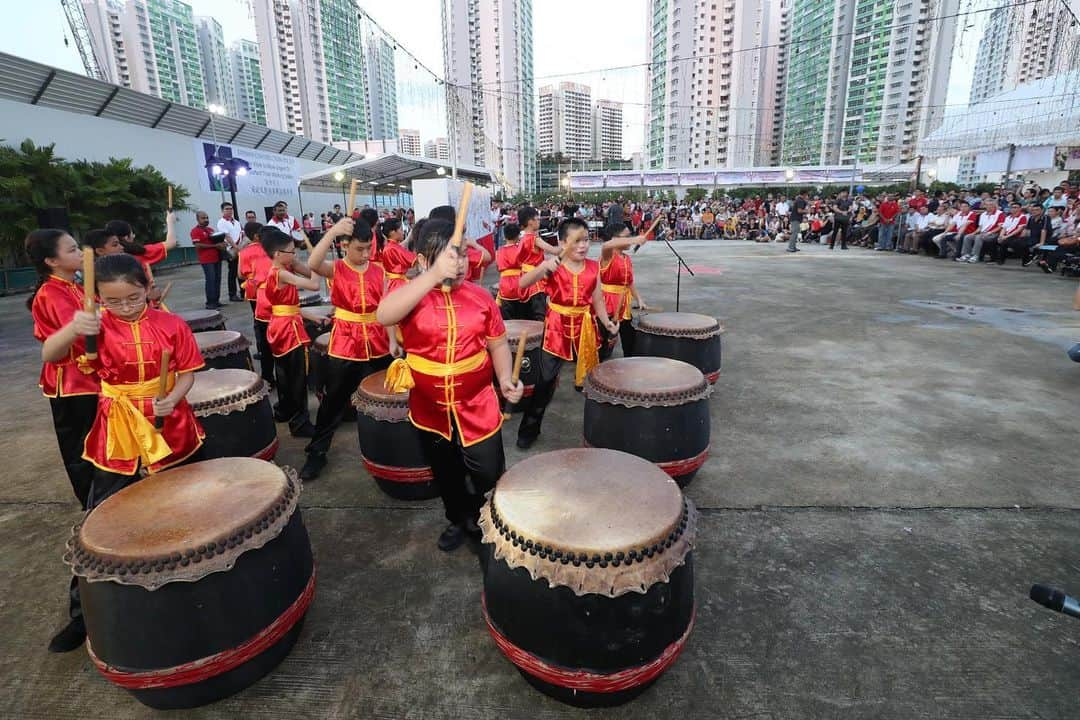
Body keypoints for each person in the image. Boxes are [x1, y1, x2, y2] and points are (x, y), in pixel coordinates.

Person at [43, 253, 205, 651]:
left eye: (134, 298)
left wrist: (174, 397)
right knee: (100, 523)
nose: (126, 308)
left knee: (186, 517)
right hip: (117, 429)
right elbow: (50, 355)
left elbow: (187, 372)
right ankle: (83, 615)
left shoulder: (170, 323)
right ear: (97, 297)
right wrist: (70, 330)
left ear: (147, 289)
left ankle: (191, 597)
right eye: (113, 301)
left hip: (171, 426)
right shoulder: (93, 327)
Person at [376, 219, 523, 552]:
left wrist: (503, 379)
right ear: (422, 260)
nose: (457, 265)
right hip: (429, 407)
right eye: (446, 257)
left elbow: (498, 344)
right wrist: (431, 277)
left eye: (460, 256)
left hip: (478, 403)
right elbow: (384, 315)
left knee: (489, 471)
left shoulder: (482, 297)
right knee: (445, 473)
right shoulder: (411, 295)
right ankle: (459, 518)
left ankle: (491, 521)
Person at [26, 230, 100, 652]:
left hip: (98, 392)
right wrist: (78, 327)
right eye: (72, 249)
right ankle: (84, 611)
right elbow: (51, 352)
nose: (80, 253)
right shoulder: (49, 296)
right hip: (75, 399)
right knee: (96, 495)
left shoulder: (72, 286)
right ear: (52, 261)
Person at [300, 217, 397, 480]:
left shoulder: (379, 271)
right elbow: (312, 263)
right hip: (346, 341)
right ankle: (317, 453)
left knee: (390, 395)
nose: (365, 254)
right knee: (333, 401)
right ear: (345, 246)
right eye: (359, 249)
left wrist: (392, 339)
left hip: (377, 339)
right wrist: (332, 231)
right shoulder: (336, 268)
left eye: (369, 248)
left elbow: (385, 308)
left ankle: (395, 448)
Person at [515, 218, 620, 449]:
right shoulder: (553, 266)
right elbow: (522, 283)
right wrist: (543, 267)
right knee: (544, 382)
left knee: (595, 381)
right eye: (575, 241)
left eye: (585, 240)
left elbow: (597, 299)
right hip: (556, 329)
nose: (582, 246)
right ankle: (529, 429)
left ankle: (600, 431)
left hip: (585, 327)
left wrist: (607, 323)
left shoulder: (593, 267)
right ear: (562, 243)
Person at [261, 227, 319, 437]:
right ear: (278, 254)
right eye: (291, 252)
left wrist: (300, 263)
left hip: (278, 324)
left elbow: (288, 304)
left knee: (284, 374)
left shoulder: (279, 269)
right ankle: (300, 422)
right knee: (297, 376)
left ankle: (285, 410)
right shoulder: (282, 273)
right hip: (289, 329)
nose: (294, 255)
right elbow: (314, 284)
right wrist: (316, 261)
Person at [598, 223, 650, 361]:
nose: (629, 239)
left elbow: (629, 282)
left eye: (630, 236)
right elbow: (606, 245)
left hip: (623, 303)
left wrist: (638, 298)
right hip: (607, 302)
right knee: (603, 340)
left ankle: (629, 363)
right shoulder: (607, 255)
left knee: (629, 338)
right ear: (614, 238)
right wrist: (634, 240)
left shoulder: (627, 258)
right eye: (626, 237)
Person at [103, 215, 178, 306]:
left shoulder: (104, 259)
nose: (134, 236)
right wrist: (170, 221)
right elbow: (171, 242)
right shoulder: (139, 253)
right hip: (144, 304)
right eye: (132, 233)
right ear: (126, 238)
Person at [237, 222, 275, 387]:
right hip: (275, 296)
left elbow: (240, 274)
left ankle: (267, 372)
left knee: (260, 324)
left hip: (256, 294)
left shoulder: (244, 252)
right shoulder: (273, 251)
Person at [512, 206, 559, 321]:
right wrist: (568, 244)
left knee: (527, 315)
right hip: (536, 280)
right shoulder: (535, 239)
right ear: (530, 222)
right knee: (540, 315)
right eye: (537, 219)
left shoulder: (522, 239)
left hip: (525, 276)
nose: (539, 221)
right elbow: (554, 251)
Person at [190, 211, 226, 308]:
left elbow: (217, 240)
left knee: (217, 280)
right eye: (203, 218)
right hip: (206, 260)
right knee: (210, 280)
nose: (206, 220)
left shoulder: (210, 230)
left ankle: (216, 301)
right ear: (198, 219)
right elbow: (197, 245)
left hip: (216, 258)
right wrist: (215, 245)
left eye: (207, 217)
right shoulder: (195, 231)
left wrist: (222, 244)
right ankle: (210, 303)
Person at [495, 223, 528, 320]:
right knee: (522, 315)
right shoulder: (520, 249)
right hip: (520, 282)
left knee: (507, 316)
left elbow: (498, 268)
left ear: (504, 236)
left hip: (505, 284)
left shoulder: (499, 251)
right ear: (518, 236)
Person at [217, 202, 245, 302]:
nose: (229, 211)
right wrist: (235, 247)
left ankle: (243, 292)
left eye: (230, 209)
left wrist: (242, 247)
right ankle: (232, 294)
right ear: (222, 211)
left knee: (241, 272)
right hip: (231, 251)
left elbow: (242, 234)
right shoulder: (221, 222)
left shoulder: (236, 222)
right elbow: (227, 236)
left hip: (240, 249)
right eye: (227, 209)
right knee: (232, 272)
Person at [379, 217, 414, 292]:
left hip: (392, 282)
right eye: (401, 229)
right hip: (397, 284)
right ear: (393, 232)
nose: (403, 232)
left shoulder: (390, 246)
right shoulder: (393, 248)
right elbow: (413, 259)